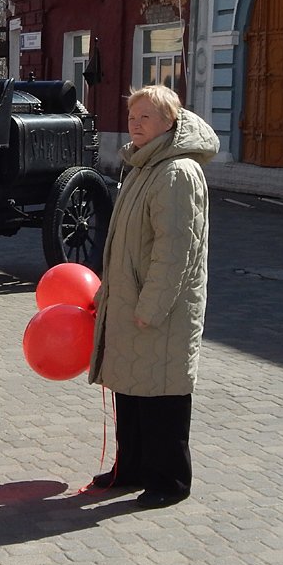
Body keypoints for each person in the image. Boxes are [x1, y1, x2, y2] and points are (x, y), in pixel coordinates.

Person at [86, 85, 218, 510]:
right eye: (132, 116)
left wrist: (151, 306)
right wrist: (109, 291)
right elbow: (124, 243)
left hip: (162, 309)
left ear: (170, 121)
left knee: (163, 394)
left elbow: (175, 250)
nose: (135, 123)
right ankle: (134, 468)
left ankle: (170, 480)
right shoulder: (143, 165)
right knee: (131, 388)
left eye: (146, 116)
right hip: (132, 301)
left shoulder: (177, 171)